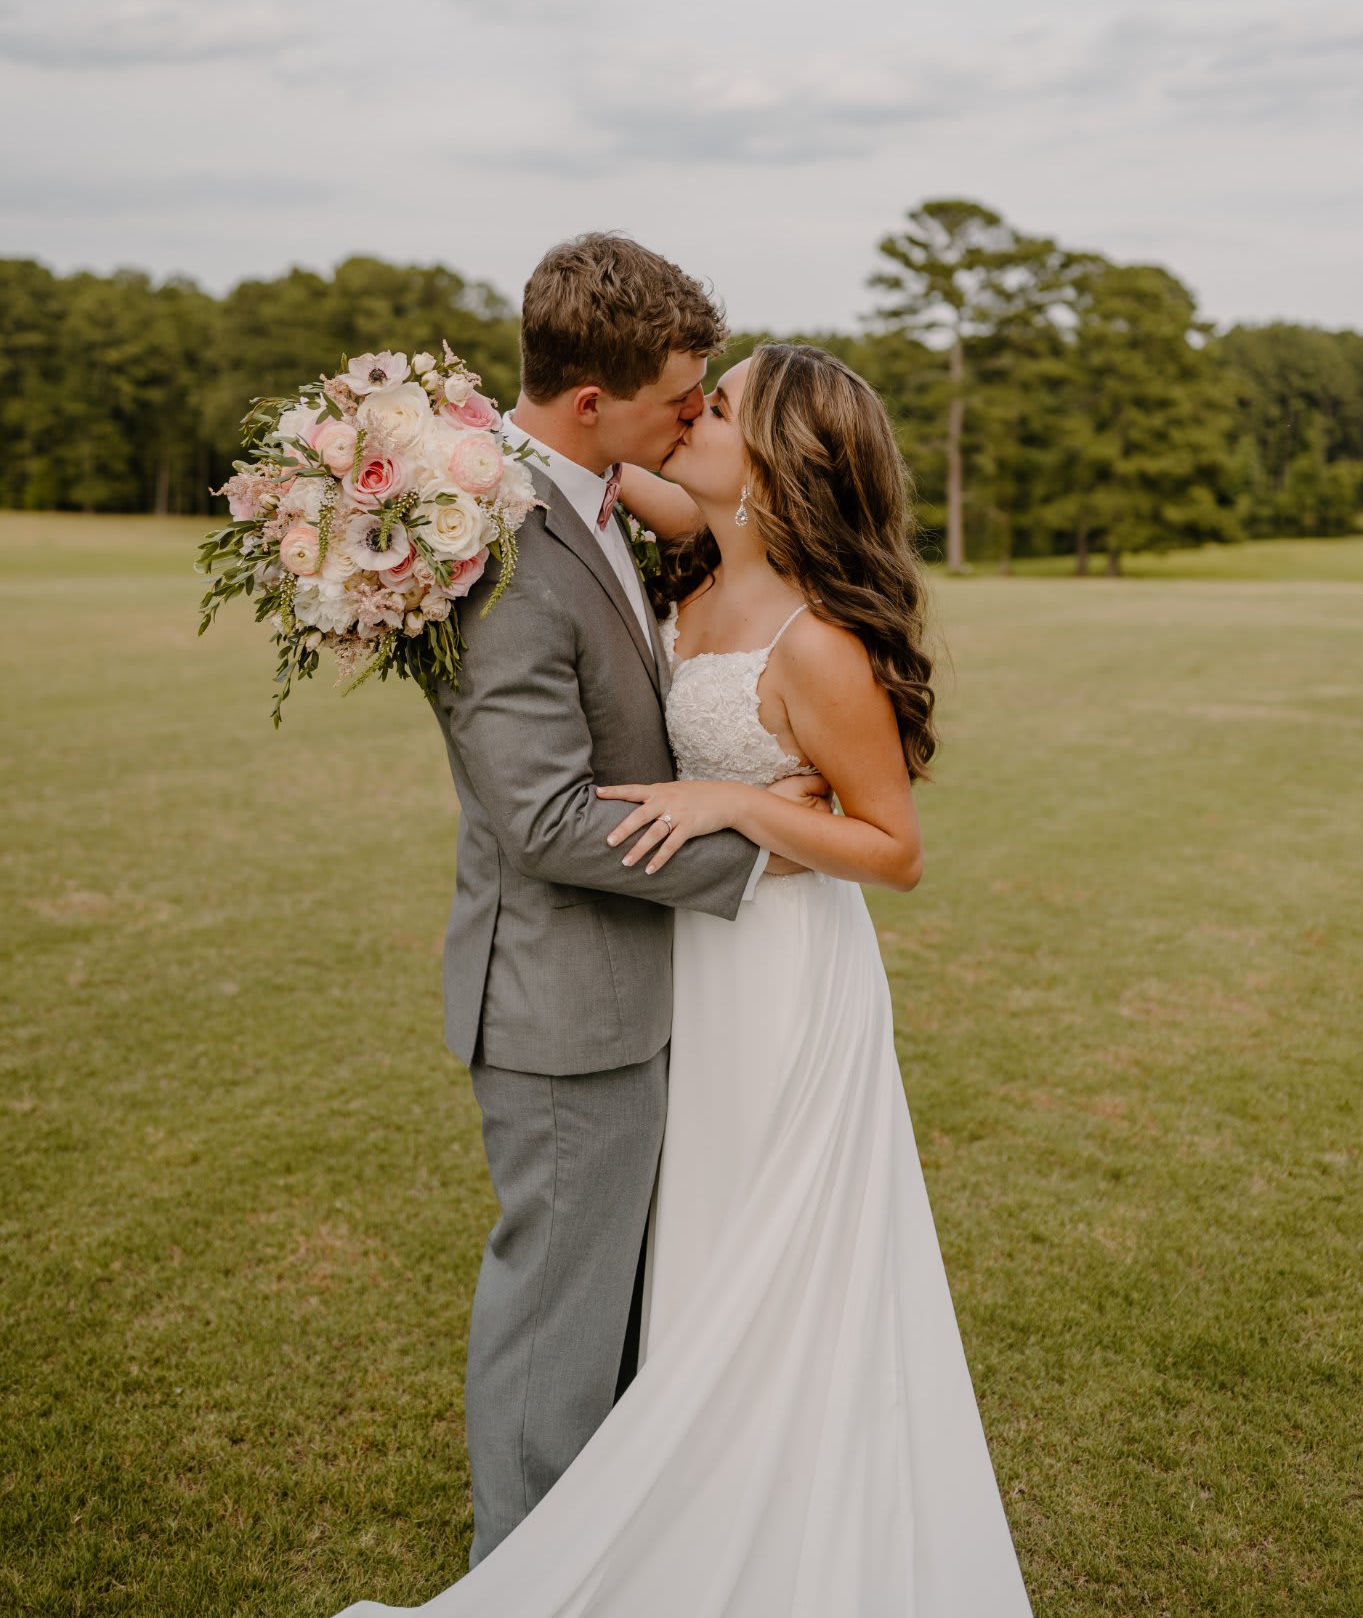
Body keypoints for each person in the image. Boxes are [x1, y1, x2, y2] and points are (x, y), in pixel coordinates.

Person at [335, 324, 1033, 1615]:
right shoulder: (698, 551)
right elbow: (570, 461)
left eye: (719, 408)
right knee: (698, 1247)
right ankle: (685, 1494)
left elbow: (896, 850)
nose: (690, 416)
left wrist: (736, 803)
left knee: (774, 1255)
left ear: (770, 466)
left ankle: (771, 1526)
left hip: (782, 979)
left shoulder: (820, 643)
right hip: (690, 970)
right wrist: (405, 452)